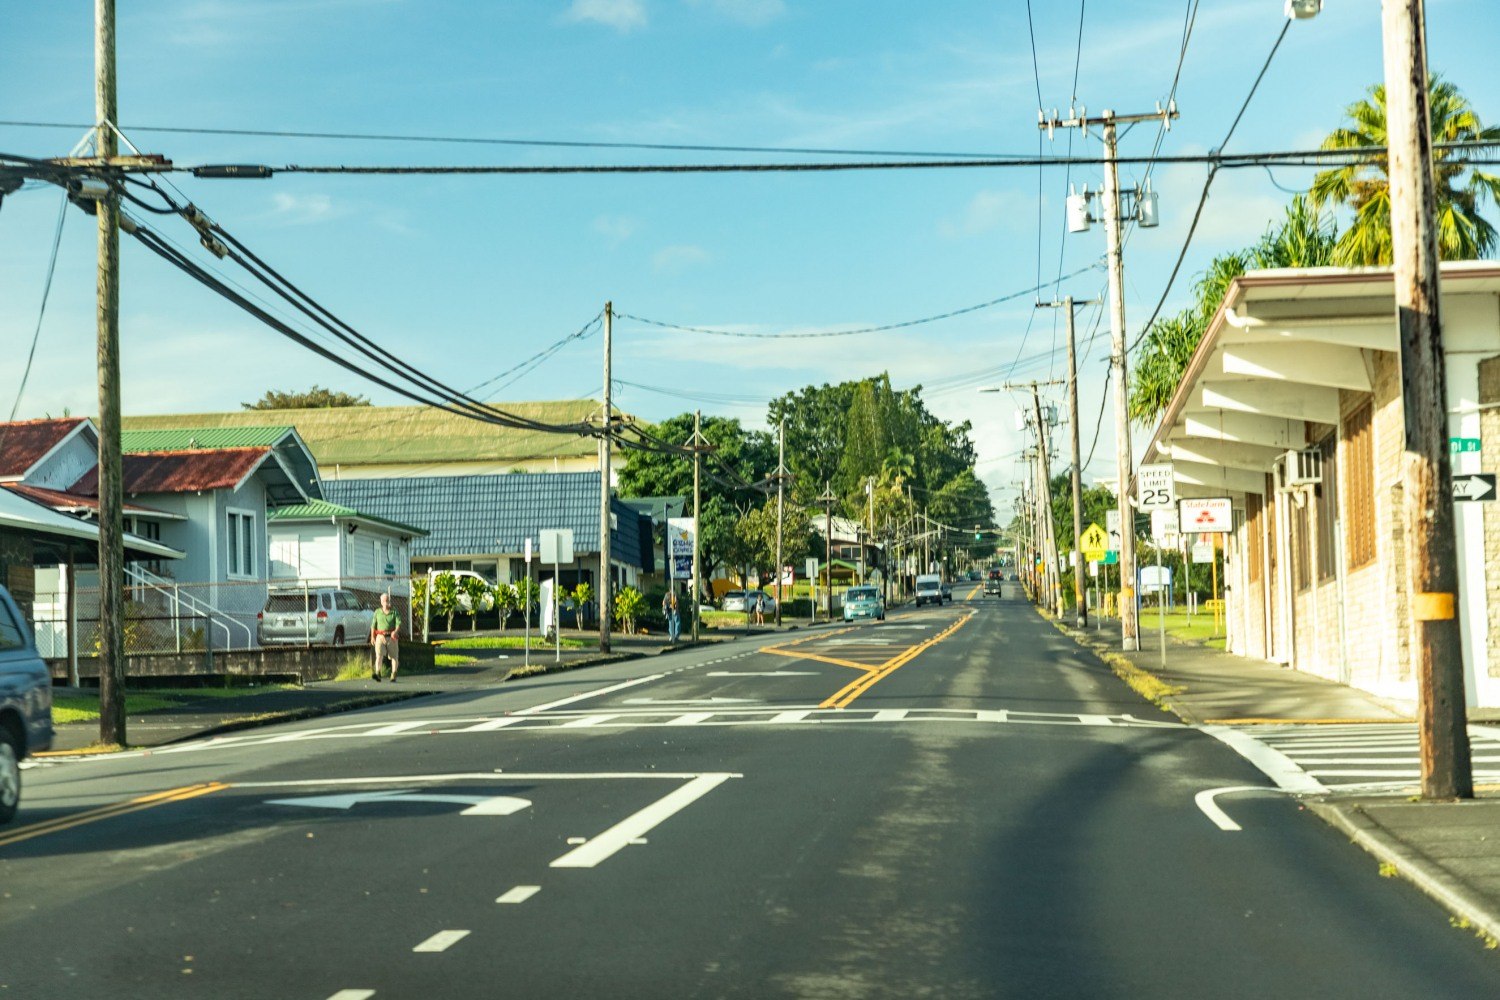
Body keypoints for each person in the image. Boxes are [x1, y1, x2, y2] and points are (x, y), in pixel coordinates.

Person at [371, 592, 401, 682]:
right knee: (379, 655)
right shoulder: (377, 612)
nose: (387, 602)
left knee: (394, 656)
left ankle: (394, 674)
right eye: (385, 600)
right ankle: (378, 673)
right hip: (380, 636)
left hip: (391, 637)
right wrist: (372, 637)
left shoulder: (394, 612)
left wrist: (395, 632)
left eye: (388, 600)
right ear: (381, 602)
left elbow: (398, 624)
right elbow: (373, 625)